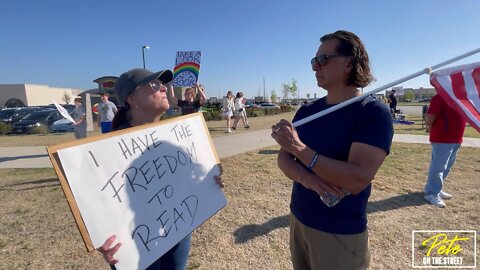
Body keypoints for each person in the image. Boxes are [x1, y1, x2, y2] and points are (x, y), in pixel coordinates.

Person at [271, 30, 393, 270]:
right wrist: (308, 180)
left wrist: (299, 148)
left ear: (349, 62)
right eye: (313, 61)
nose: (315, 67)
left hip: (340, 231)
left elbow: (357, 178)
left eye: (322, 60)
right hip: (299, 218)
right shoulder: (307, 111)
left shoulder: (372, 112)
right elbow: (284, 159)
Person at [99, 68, 223, 270]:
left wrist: (208, 183)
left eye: (162, 84)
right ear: (132, 98)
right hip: (135, 240)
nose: (163, 88)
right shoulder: (107, 150)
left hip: (177, 226)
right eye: (154, 85)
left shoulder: (174, 137)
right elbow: (97, 202)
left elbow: (184, 181)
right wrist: (100, 238)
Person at [423, 94, 466, 208]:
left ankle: (435, 187)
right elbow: (429, 119)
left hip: (456, 137)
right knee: (438, 167)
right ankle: (431, 193)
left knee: (447, 166)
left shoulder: (461, 96)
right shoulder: (440, 97)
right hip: (442, 138)